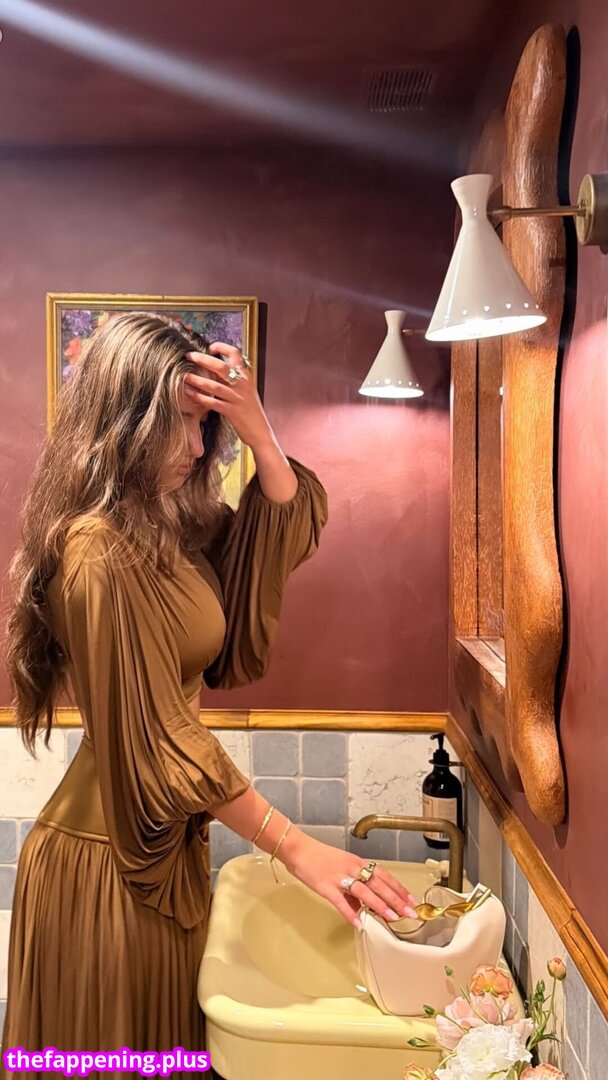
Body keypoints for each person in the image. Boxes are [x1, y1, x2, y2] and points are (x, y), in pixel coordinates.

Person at [1, 312, 417, 1077]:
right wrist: (296, 848)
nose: (199, 449)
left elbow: (275, 535)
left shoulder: (170, 527)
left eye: (206, 427)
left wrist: (257, 429)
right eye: (183, 425)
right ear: (128, 423)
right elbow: (160, 731)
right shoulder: (96, 551)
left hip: (157, 848)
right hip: (104, 869)